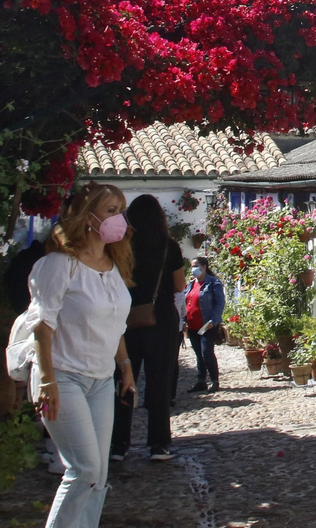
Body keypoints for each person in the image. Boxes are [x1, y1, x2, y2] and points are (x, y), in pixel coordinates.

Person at [27, 182, 137, 528]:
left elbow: (115, 322)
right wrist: (47, 381)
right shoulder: (60, 265)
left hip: (101, 380)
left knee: (98, 472)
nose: (119, 219)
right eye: (111, 211)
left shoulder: (113, 264)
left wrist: (125, 365)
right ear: (88, 217)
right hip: (62, 376)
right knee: (83, 468)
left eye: (121, 210)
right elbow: (42, 326)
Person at [109, 194, 185, 462]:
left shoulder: (120, 247)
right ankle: (159, 445)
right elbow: (179, 286)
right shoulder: (169, 247)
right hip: (161, 319)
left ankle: (118, 445)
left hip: (125, 320)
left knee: (124, 380)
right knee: (159, 384)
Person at [184, 255, 225, 392]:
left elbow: (219, 303)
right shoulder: (191, 284)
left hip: (207, 324)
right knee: (198, 353)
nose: (193, 269)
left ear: (204, 266)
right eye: (192, 266)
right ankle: (201, 380)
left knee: (206, 351)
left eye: (196, 265)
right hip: (192, 325)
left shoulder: (213, 283)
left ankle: (214, 380)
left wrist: (214, 320)